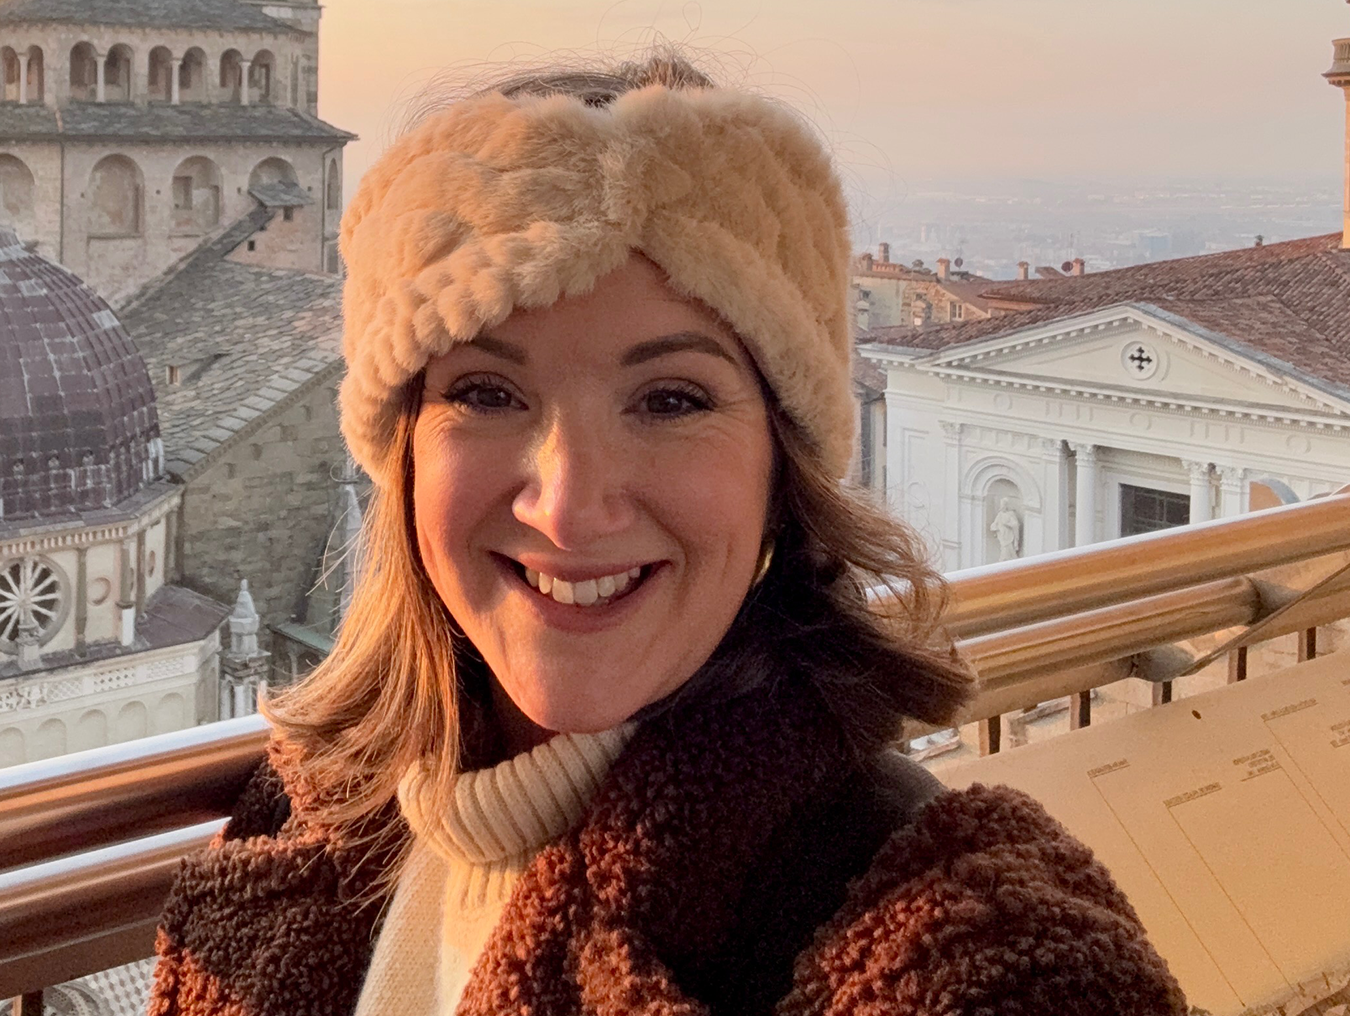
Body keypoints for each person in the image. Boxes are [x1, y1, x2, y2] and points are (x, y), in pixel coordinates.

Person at [149, 56, 1185, 1016]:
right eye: (489, 391)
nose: (567, 502)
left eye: (673, 400)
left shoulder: (954, 937)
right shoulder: (302, 813)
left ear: (783, 469)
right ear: (404, 450)